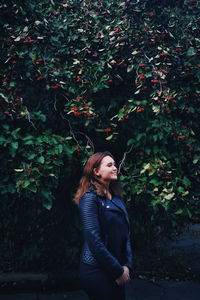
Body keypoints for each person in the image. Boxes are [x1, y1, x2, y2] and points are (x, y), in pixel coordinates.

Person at [74, 151, 133, 300]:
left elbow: (125, 233)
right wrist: (117, 271)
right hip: (97, 270)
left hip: (118, 268)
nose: (115, 168)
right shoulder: (89, 199)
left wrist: (127, 266)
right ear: (96, 171)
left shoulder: (115, 196)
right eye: (109, 165)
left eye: (115, 164)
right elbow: (94, 240)